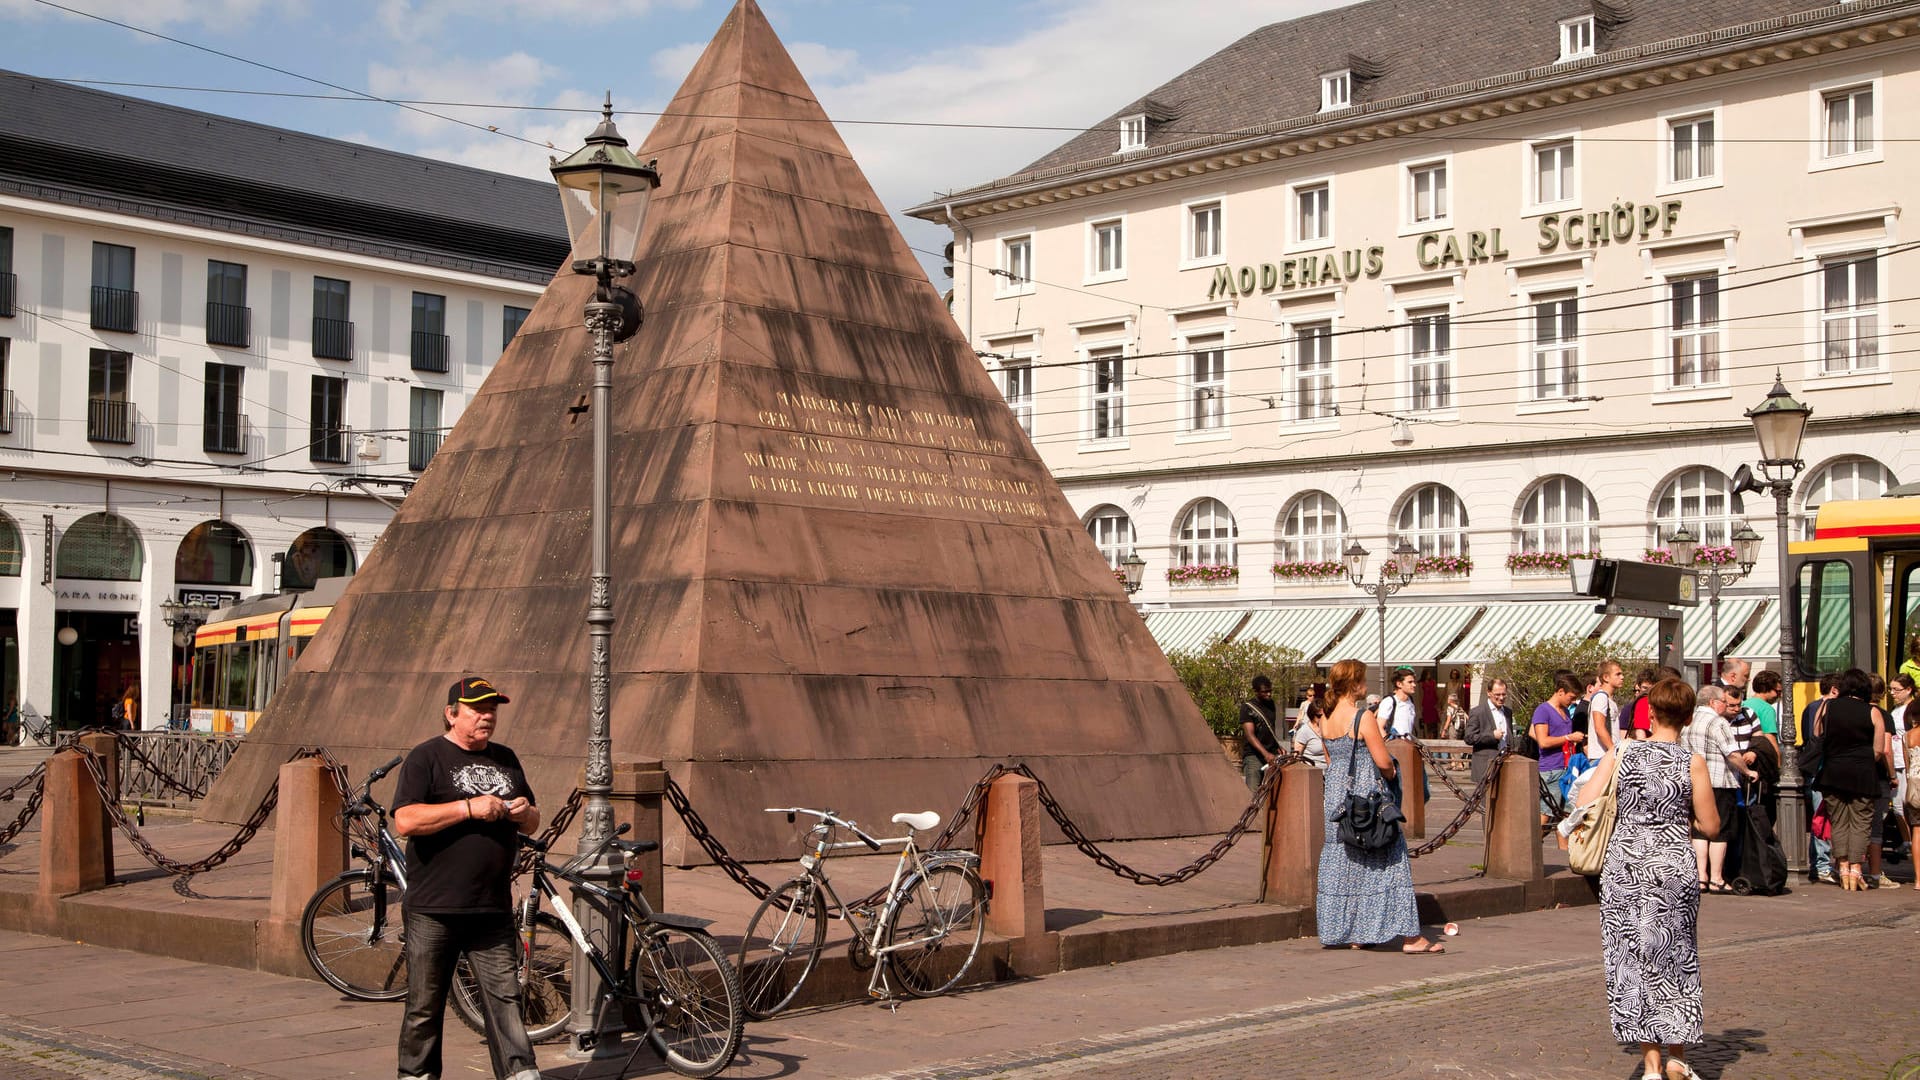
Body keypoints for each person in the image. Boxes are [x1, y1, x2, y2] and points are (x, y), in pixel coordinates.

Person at [393, 677, 542, 1080]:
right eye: (477, 709)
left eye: (492, 709)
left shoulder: (506, 758)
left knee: (506, 1000)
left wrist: (523, 812)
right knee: (424, 1006)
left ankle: (519, 1074)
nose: (487, 716)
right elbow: (405, 820)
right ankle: (417, 1075)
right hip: (433, 907)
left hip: (491, 907)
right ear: (452, 713)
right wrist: (469, 808)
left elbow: (534, 819)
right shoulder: (426, 757)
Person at [1580, 677, 1720, 1080]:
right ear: (1689, 718)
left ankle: (1652, 1064)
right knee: (1675, 955)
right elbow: (1710, 826)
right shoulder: (1690, 761)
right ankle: (1677, 1054)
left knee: (1631, 957)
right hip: (1673, 867)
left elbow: (1585, 801)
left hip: (1625, 867)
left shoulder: (1622, 753)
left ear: (1651, 713)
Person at [1315, 657, 1441, 954]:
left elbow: (1331, 760)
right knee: (1389, 857)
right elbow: (1383, 761)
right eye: (1362, 680)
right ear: (1354, 684)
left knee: (1346, 861)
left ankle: (1354, 932)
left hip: (1336, 796)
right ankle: (1411, 937)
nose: (1366, 685)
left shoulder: (1324, 717)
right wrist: (1392, 773)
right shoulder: (1363, 717)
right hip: (1365, 795)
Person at [1682, 684, 1760, 893]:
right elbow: (1732, 754)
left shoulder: (1688, 720)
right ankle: (1716, 878)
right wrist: (1747, 772)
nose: (1726, 706)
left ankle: (1701, 877)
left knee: (1699, 829)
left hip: (1694, 782)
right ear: (1713, 702)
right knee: (1720, 830)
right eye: (1723, 702)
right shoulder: (1717, 722)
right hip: (1718, 781)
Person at [1818, 668, 1890, 892]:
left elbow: (1817, 734)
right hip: (1862, 774)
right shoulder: (1873, 712)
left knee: (1838, 821)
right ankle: (1856, 869)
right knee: (1860, 822)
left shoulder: (1829, 707)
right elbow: (1879, 750)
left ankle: (1843, 867)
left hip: (1833, 772)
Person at [1533, 672, 1587, 821]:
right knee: (1546, 815)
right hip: (1551, 769)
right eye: (1571, 697)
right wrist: (1568, 738)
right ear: (1561, 691)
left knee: (1566, 816)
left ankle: (1563, 846)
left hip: (1567, 768)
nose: (1573, 701)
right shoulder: (1543, 710)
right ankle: (1533, 843)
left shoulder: (1565, 711)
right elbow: (1543, 741)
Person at [1805, 672, 1841, 884]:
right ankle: (1822, 865)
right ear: (1835, 690)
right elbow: (1818, 736)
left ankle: (1817, 863)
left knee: (1819, 818)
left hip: (1817, 767)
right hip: (1823, 766)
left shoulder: (1811, 707)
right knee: (1822, 817)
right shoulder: (1824, 708)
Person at [1238, 676, 1283, 794]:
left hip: (1271, 753)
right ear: (1256, 691)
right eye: (1264, 692)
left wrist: (1277, 746)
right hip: (1254, 756)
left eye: (1270, 691)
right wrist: (1265, 754)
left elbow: (1270, 728)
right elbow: (1250, 735)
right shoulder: (1247, 708)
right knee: (1253, 794)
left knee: (1271, 792)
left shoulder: (1271, 704)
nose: (1268, 694)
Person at [1462, 680, 1511, 785]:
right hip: (1485, 767)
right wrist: (1491, 736)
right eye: (1497, 694)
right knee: (1486, 801)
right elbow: (1469, 738)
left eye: (1504, 694)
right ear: (1488, 693)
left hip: (1505, 765)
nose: (1501, 698)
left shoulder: (1507, 712)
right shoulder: (1478, 712)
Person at [1590, 661, 1624, 750]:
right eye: (1618, 674)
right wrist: (1613, 751)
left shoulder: (1609, 700)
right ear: (1606, 677)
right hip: (1601, 756)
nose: (1622, 677)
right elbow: (1599, 728)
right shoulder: (1601, 698)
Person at [1378, 667, 1418, 740]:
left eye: (1414, 682)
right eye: (1410, 682)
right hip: (1394, 747)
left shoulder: (1410, 702)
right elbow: (1379, 726)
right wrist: (1389, 745)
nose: (1414, 685)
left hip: (1407, 746)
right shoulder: (1389, 701)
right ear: (1399, 684)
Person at [1291, 699, 1328, 767]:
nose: (1322, 718)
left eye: (1325, 715)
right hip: (1312, 772)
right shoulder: (1304, 731)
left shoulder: (1330, 729)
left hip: (1330, 771)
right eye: (1319, 716)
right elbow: (1297, 756)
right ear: (1312, 715)